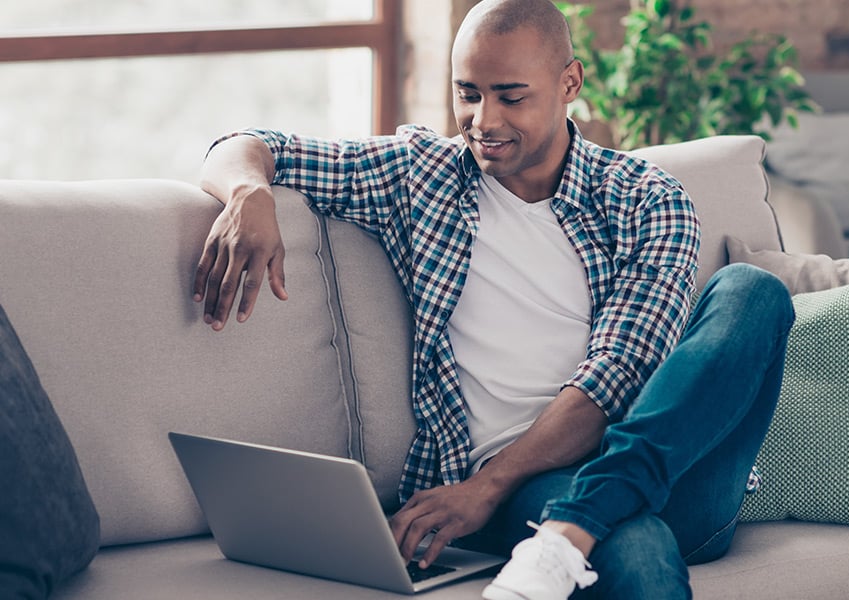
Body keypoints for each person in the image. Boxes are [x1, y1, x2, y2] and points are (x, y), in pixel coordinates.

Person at [192, 0, 795, 597]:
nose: (484, 120)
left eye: (511, 96)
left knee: (753, 291)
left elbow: (615, 379)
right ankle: (567, 535)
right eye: (468, 93)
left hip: (675, 476)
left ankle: (570, 530)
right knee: (634, 549)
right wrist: (249, 193)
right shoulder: (421, 177)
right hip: (530, 490)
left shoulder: (644, 199)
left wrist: (482, 489)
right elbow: (247, 144)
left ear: (569, 83)